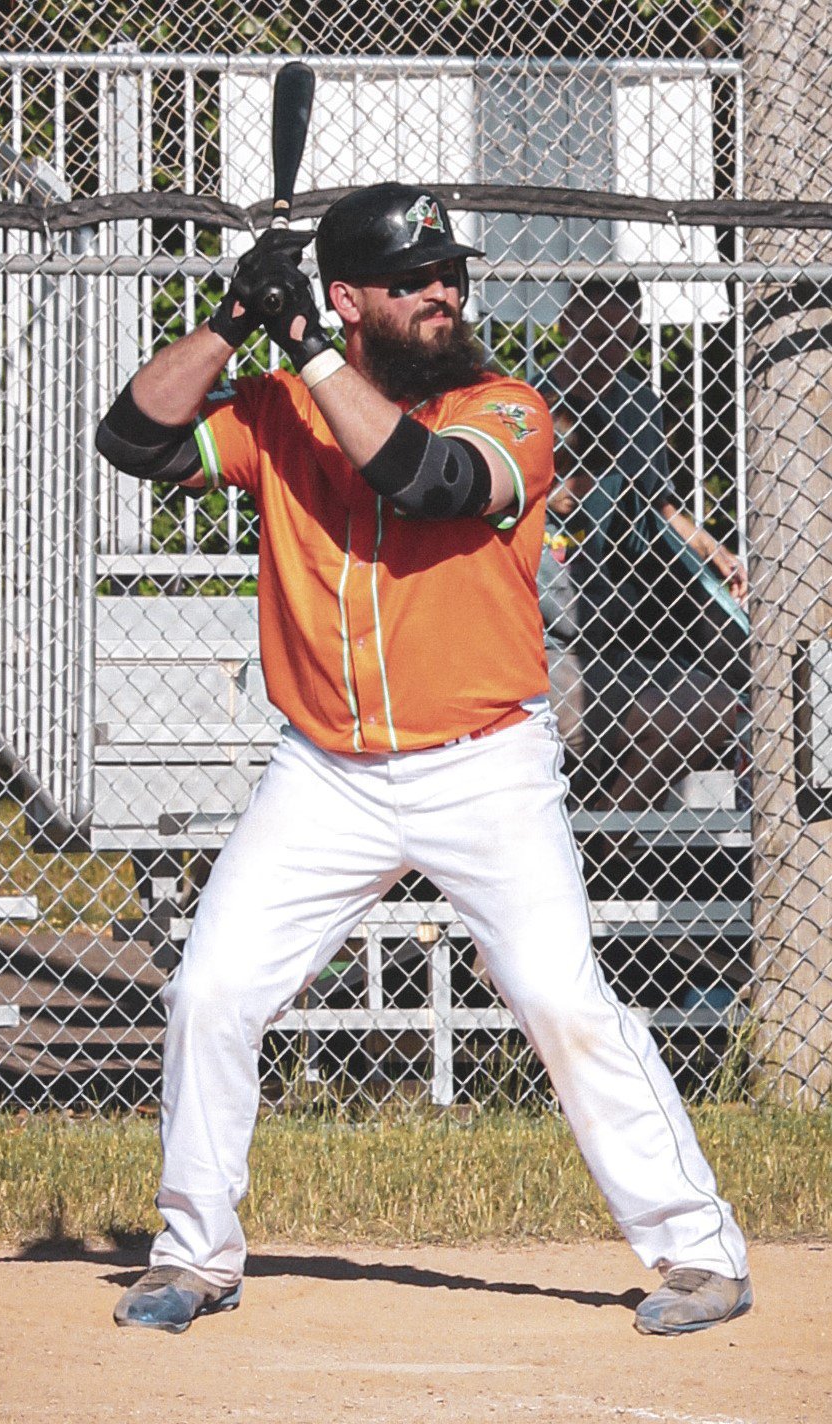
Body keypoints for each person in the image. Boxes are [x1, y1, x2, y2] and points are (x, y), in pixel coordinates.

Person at [95, 184, 751, 1337]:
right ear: (350, 297)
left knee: (559, 997)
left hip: (483, 763)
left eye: (449, 273)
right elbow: (132, 438)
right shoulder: (278, 411)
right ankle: (194, 1255)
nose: (441, 291)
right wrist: (234, 316)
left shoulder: (505, 409)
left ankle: (698, 1252)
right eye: (411, 279)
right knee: (212, 989)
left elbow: (428, 479)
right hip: (324, 775)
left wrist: (305, 345)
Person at [540, 281, 748, 834]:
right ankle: (606, 839)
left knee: (736, 672)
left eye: (620, 338)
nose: (607, 352)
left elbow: (660, 504)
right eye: (595, 335)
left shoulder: (637, 403)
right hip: (547, 635)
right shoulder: (527, 405)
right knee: (689, 706)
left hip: (624, 616)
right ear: (566, 324)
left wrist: (712, 549)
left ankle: (611, 831)